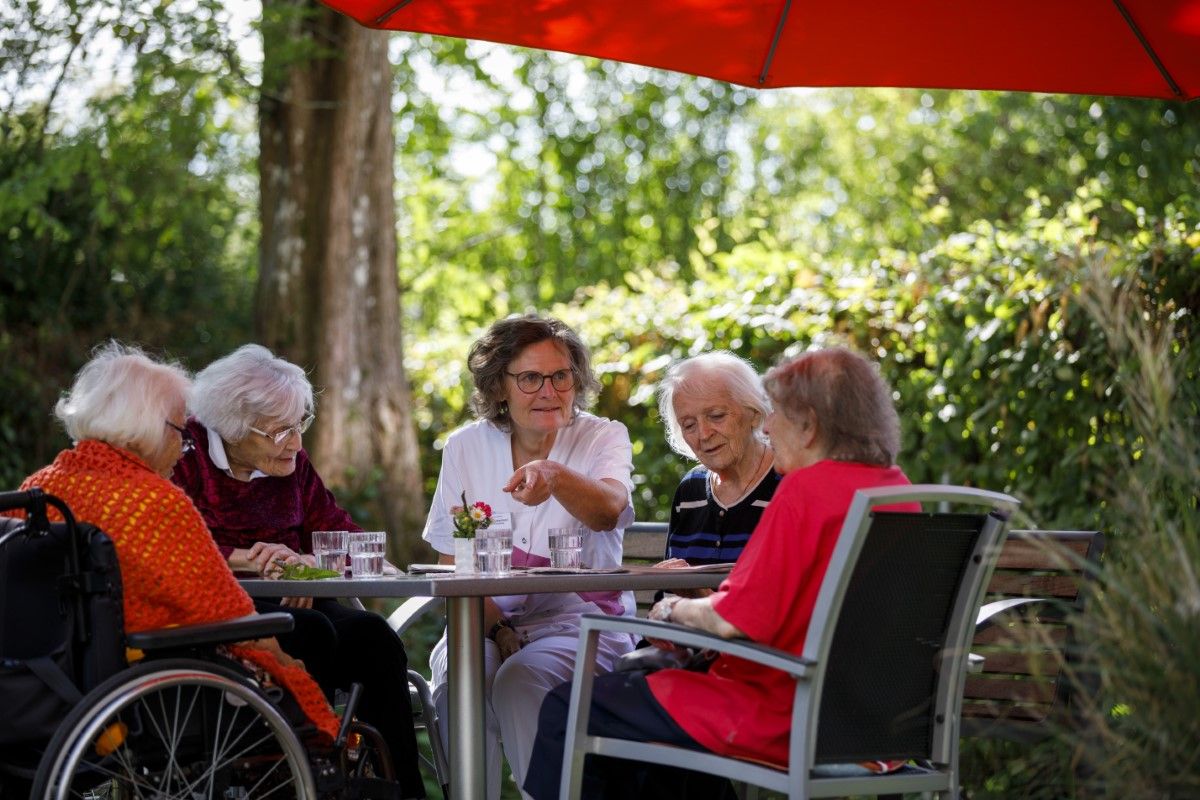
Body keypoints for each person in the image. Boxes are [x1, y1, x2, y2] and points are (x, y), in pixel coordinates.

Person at [524, 346, 918, 799]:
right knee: (640, 723)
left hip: (789, 714)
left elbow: (735, 619)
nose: (767, 426)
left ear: (809, 425)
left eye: (779, 416)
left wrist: (674, 609)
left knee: (568, 707)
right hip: (876, 725)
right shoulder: (894, 488)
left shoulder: (805, 491)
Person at [12, 342, 339, 743]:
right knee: (310, 640)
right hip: (152, 689)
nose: (186, 447)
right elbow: (231, 615)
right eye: (181, 432)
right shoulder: (155, 502)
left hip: (49, 688)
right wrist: (287, 663)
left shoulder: (37, 491)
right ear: (147, 427)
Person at [172, 344, 423, 799]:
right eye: (279, 431)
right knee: (308, 630)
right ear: (230, 426)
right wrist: (240, 556)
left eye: (300, 425)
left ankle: (401, 790)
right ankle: (312, 779)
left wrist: (312, 565)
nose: (296, 442)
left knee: (375, 638)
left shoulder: (291, 464)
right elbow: (167, 541)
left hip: (300, 598)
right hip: (218, 607)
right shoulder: (184, 455)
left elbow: (348, 540)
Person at [422, 315, 637, 800]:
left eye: (561, 376)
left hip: (584, 625)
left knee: (520, 679)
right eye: (530, 378)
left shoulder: (603, 436)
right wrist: (498, 631)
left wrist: (554, 476)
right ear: (500, 386)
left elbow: (608, 510)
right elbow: (452, 563)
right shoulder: (465, 447)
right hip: (485, 621)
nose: (549, 390)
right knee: (463, 675)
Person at [656, 350, 780, 568]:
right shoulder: (690, 490)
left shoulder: (787, 484)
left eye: (716, 416)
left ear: (754, 413)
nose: (704, 434)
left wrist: (700, 596)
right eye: (689, 425)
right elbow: (666, 592)